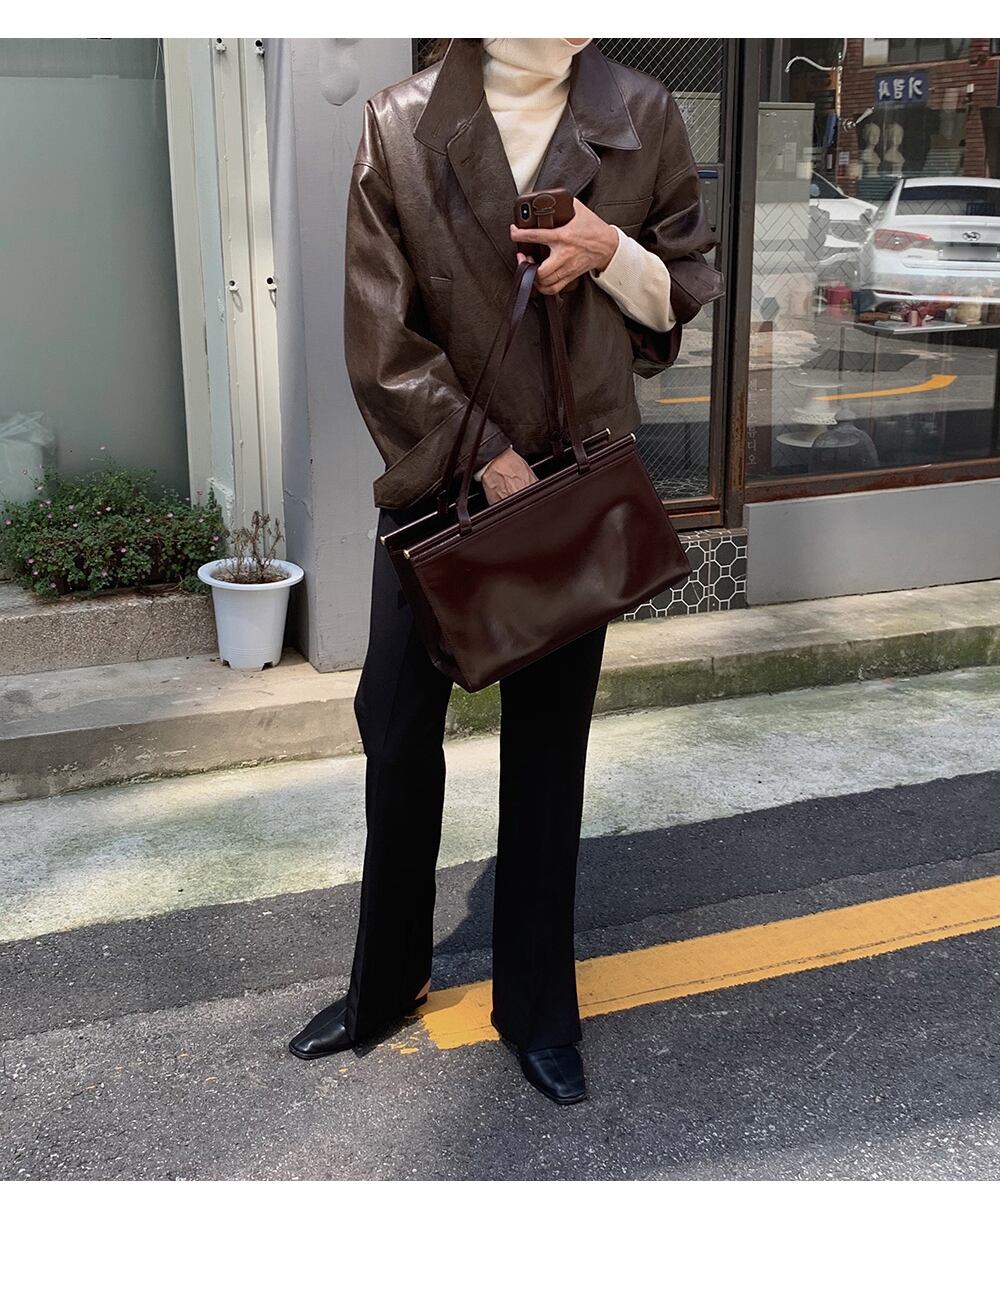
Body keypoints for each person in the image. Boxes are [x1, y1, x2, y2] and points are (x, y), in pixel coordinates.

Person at [288, 37, 716, 1104]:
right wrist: (482, 455)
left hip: (569, 483)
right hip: (440, 477)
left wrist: (608, 250)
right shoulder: (399, 123)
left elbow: (679, 296)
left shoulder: (643, 112)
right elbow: (378, 334)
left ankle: (535, 1005)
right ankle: (387, 978)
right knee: (395, 728)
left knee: (547, 750)